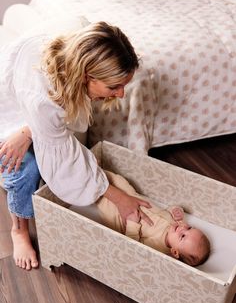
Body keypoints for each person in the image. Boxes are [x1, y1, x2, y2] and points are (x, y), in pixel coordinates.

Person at [0, 21, 153, 271]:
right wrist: (117, 196)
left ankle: (26, 132)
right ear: (85, 75)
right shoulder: (44, 101)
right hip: (7, 116)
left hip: (25, 109)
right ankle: (19, 230)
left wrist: (29, 130)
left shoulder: (77, 49)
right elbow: (65, 164)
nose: (122, 94)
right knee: (25, 168)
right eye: (114, 87)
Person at [95, 170, 211, 266]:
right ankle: (96, 169)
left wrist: (133, 223)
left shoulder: (157, 246)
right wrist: (177, 210)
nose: (183, 228)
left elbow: (133, 243)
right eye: (189, 228)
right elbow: (166, 211)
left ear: (175, 251)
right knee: (118, 180)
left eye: (182, 236)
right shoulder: (176, 224)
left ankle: (89, 181)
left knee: (101, 199)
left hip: (120, 216)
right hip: (132, 196)